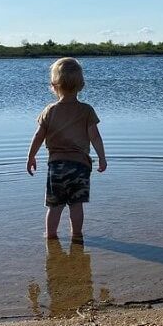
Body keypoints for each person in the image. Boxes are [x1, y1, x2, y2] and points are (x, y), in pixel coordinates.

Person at [26, 57, 107, 240]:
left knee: (54, 206)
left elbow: (38, 136)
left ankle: (51, 237)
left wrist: (31, 157)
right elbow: (95, 136)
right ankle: (77, 235)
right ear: (82, 85)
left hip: (57, 167)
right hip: (80, 166)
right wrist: (102, 157)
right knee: (76, 205)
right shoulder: (86, 111)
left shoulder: (50, 110)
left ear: (54, 85)